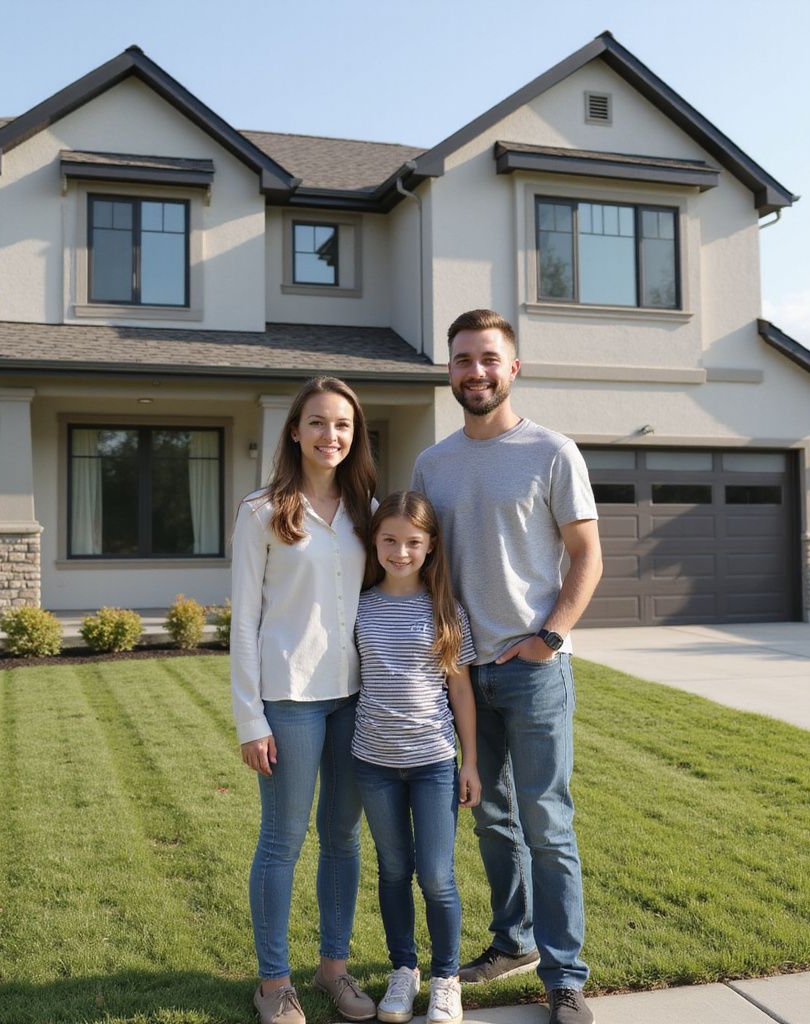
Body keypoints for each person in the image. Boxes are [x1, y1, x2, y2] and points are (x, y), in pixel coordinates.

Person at [411, 309, 603, 1024]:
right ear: (451, 373)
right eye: (462, 360)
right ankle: (513, 942)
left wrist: (548, 637)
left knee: (547, 821)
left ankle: (565, 976)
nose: (475, 371)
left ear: (512, 367)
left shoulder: (552, 452)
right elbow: (422, 564)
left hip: (532, 668)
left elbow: (586, 556)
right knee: (492, 818)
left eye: (488, 358)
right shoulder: (433, 464)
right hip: (462, 673)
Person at [231, 376, 378, 1024]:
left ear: (355, 435)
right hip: (288, 698)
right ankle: (273, 983)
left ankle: (334, 971)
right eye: (317, 422)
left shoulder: (367, 511)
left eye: (343, 424)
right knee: (283, 841)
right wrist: (249, 718)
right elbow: (243, 621)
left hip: (355, 697)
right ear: (295, 430)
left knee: (343, 838)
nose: (330, 435)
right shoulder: (262, 511)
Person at [352, 491, 481, 1024]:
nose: (400, 551)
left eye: (412, 542)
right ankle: (403, 972)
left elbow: (461, 693)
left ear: (429, 546)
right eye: (389, 540)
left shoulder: (446, 610)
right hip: (373, 763)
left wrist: (469, 762)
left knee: (435, 875)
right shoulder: (359, 608)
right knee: (393, 868)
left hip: (433, 764)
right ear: (374, 543)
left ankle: (445, 978)